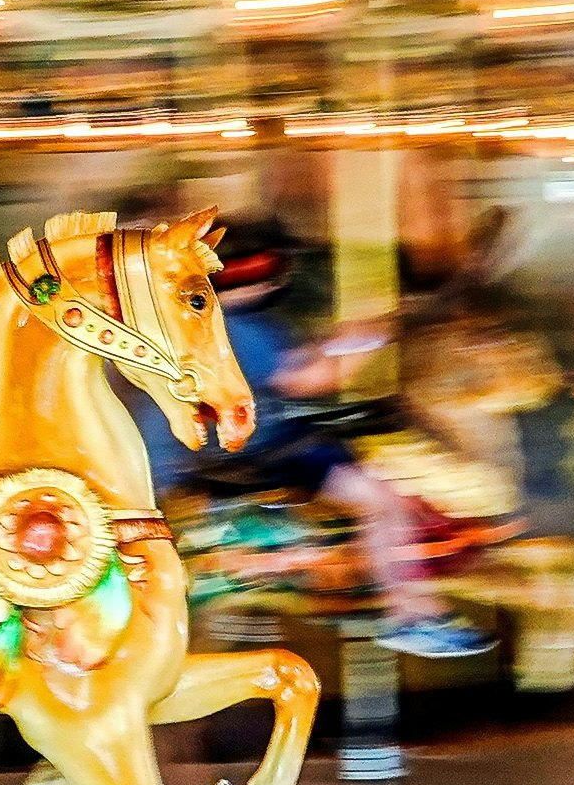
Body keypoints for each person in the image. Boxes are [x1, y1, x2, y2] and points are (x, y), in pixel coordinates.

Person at [204, 227, 491, 660]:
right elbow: (312, 379)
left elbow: (305, 360)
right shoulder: (240, 327)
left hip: (275, 440)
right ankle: (409, 615)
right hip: (270, 449)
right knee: (385, 504)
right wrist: (373, 338)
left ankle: (398, 600)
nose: (274, 286)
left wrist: (351, 338)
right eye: (268, 277)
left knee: (392, 493)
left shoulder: (235, 323)